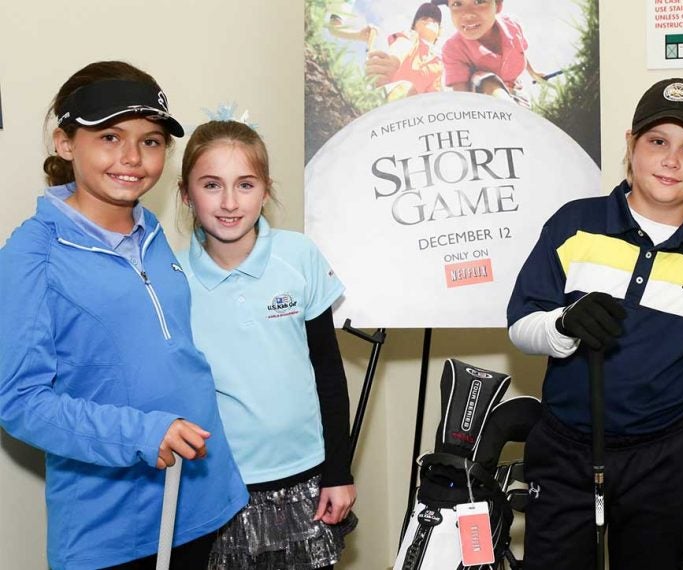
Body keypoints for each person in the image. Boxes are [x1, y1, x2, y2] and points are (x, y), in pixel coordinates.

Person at [0, 61, 248, 570]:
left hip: (203, 500)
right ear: (65, 143)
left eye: (151, 141)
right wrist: (140, 434)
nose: (133, 159)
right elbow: (20, 403)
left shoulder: (152, 230)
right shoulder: (31, 255)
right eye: (110, 137)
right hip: (113, 531)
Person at [506, 78, 683, 569]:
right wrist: (563, 326)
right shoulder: (574, 224)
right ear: (631, 145)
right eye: (657, 141)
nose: (671, 160)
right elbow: (521, 326)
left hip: (662, 460)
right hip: (564, 450)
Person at [176, 120, 358, 570]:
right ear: (185, 194)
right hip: (222, 489)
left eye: (245, 184)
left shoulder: (298, 257)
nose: (230, 202)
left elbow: (329, 375)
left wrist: (339, 472)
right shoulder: (173, 280)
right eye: (212, 185)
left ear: (265, 190)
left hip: (309, 482)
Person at [441, 0, 547, 102]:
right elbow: (463, 98)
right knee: (481, 77)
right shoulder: (453, 49)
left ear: (498, 5)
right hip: (484, 107)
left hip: (518, 95)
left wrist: (533, 73)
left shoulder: (512, 26)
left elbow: (519, 51)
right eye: (457, 3)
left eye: (479, 1)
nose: (467, 14)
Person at [364, 2, 445, 101]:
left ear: (439, 32)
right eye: (423, 17)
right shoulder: (411, 37)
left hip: (414, 109)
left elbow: (435, 96)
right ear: (414, 26)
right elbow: (401, 46)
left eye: (435, 20)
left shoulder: (438, 64)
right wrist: (392, 61)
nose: (429, 19)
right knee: (405, 88)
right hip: (386, 95)